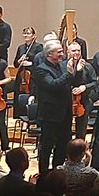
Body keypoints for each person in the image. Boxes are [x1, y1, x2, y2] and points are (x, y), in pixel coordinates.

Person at [33, 39, 88, 173]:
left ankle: (57, 171)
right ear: (49, 54)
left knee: (63, 146)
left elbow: (73, 81)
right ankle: (44, 173)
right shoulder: (41, 69)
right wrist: (69, 73)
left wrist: (78, 71)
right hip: (50, 115)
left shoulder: (62, 66)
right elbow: (53, 85)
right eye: (59, 52)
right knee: (47, 146)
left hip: (65, 114)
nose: (63, 54)